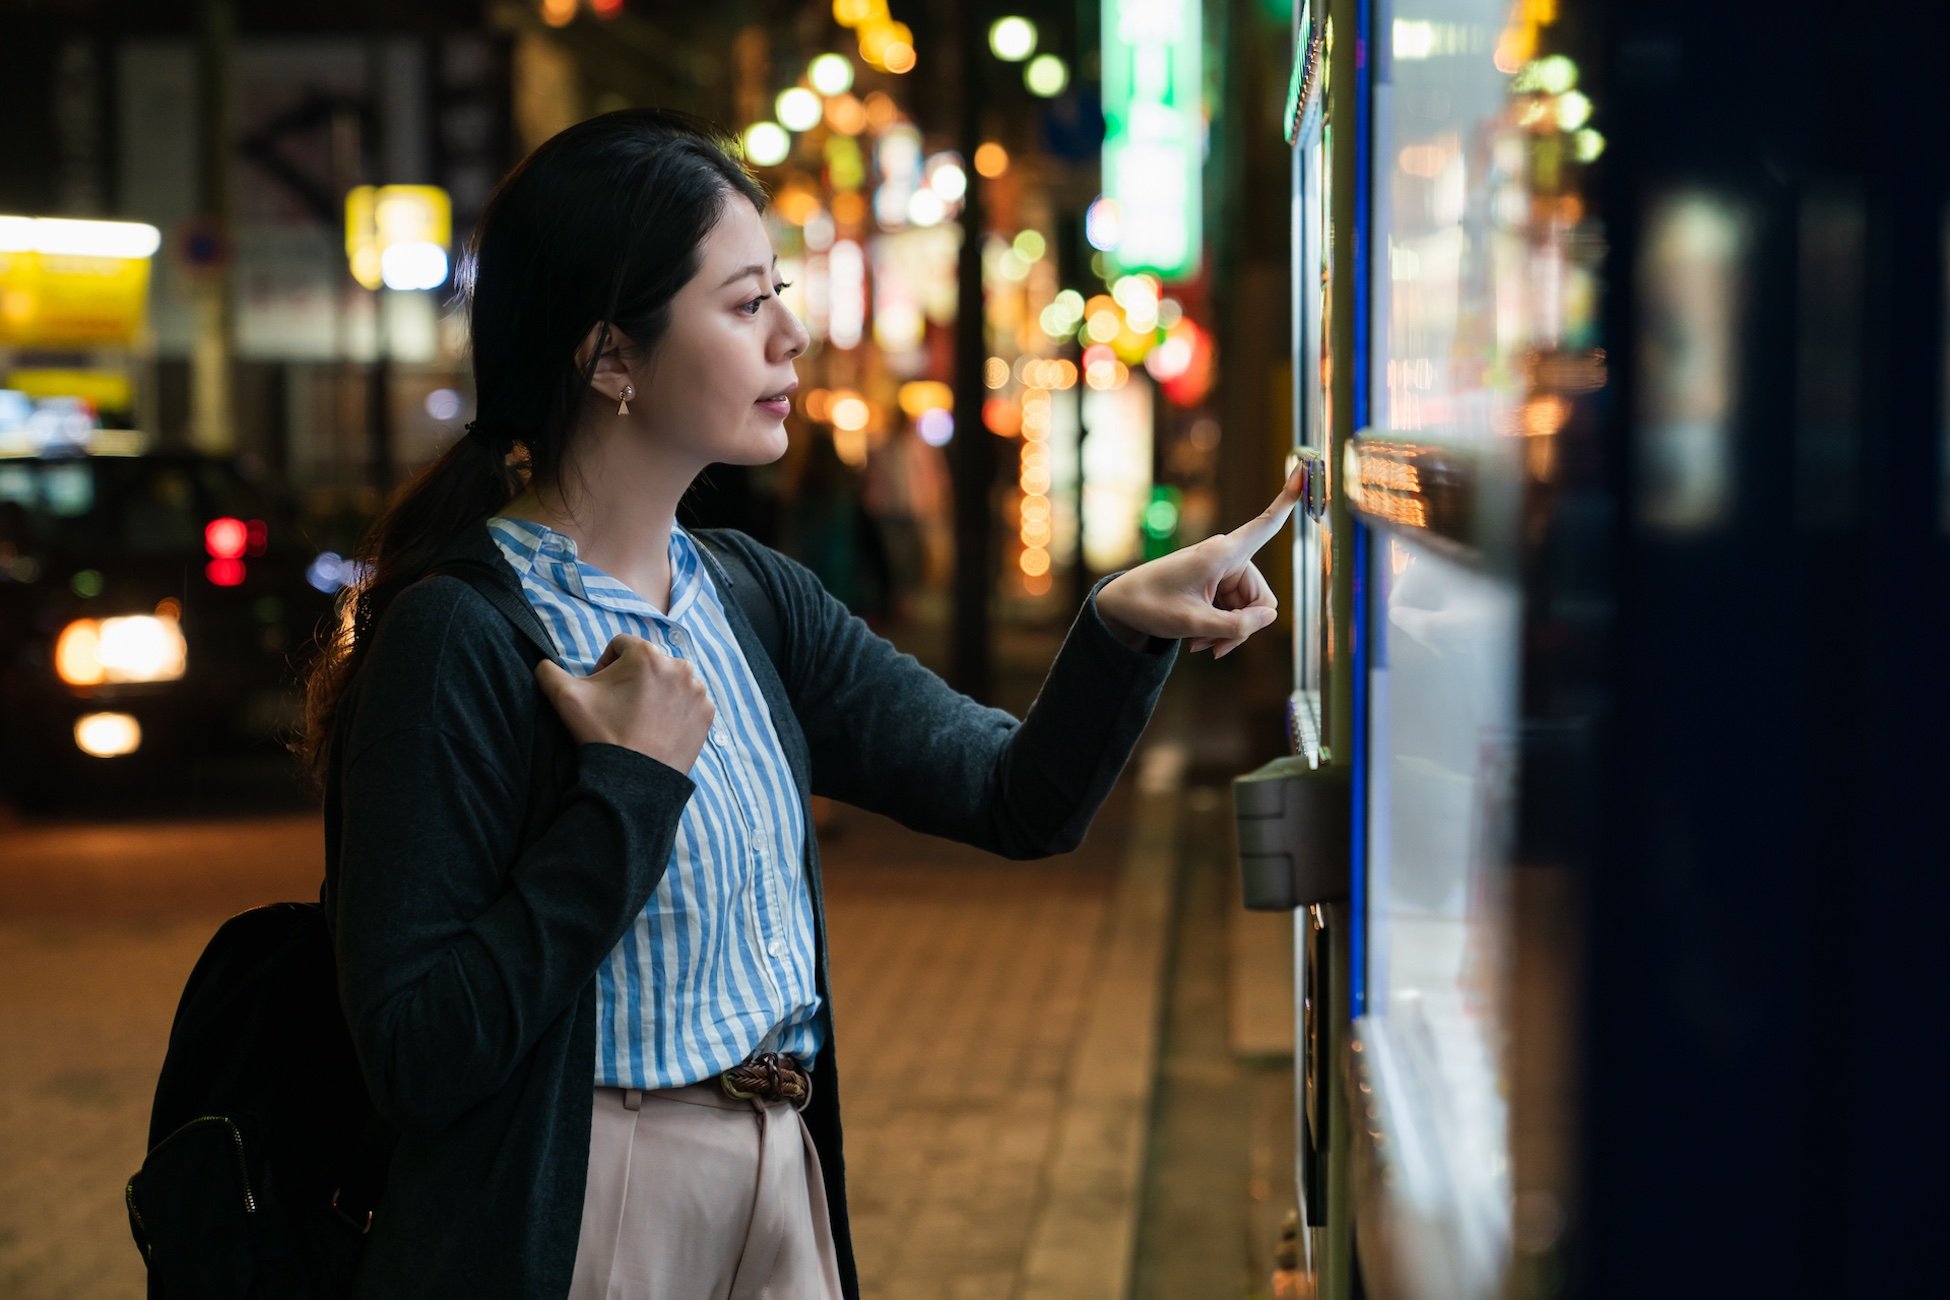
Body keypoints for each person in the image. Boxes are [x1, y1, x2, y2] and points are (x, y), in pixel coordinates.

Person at [296, 107, 1298, 1300]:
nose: (793, 334)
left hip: (780, 1182)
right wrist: (627, 794)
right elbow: (414, 1051)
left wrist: (1126, 621)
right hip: (582, 1208)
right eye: (744, 304)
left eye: (779, 291)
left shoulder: (747, 593)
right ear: (611, 357)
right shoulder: (461, 635)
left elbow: (1016, 796)